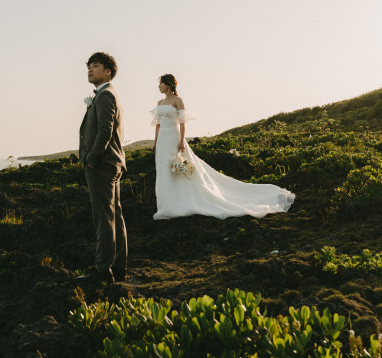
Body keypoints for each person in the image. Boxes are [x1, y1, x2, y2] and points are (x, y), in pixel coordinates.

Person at [151, 74, 295, 220]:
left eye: (161, 83)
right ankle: (167, 204)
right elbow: (157, 125)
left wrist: (181, 140)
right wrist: (156, 142)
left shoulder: (177, 100)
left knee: (178, 168)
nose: (159, 86)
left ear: (168, 84)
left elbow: (182, 123)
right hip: (163, 139)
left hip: (174, 137)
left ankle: (182, 201)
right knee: (163, 169)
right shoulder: (160, 102)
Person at [77, 52, 128, 283]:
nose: (90, 69)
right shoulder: (107, 94)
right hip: (112, 163)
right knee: (114, 215)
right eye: (88, 66)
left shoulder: (106, 94)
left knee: (104, 218)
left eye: (95, 66)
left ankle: (102, 270)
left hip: (102, 164)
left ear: (108, 71)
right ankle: (118, 267)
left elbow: (105, 130)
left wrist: (91, 158)